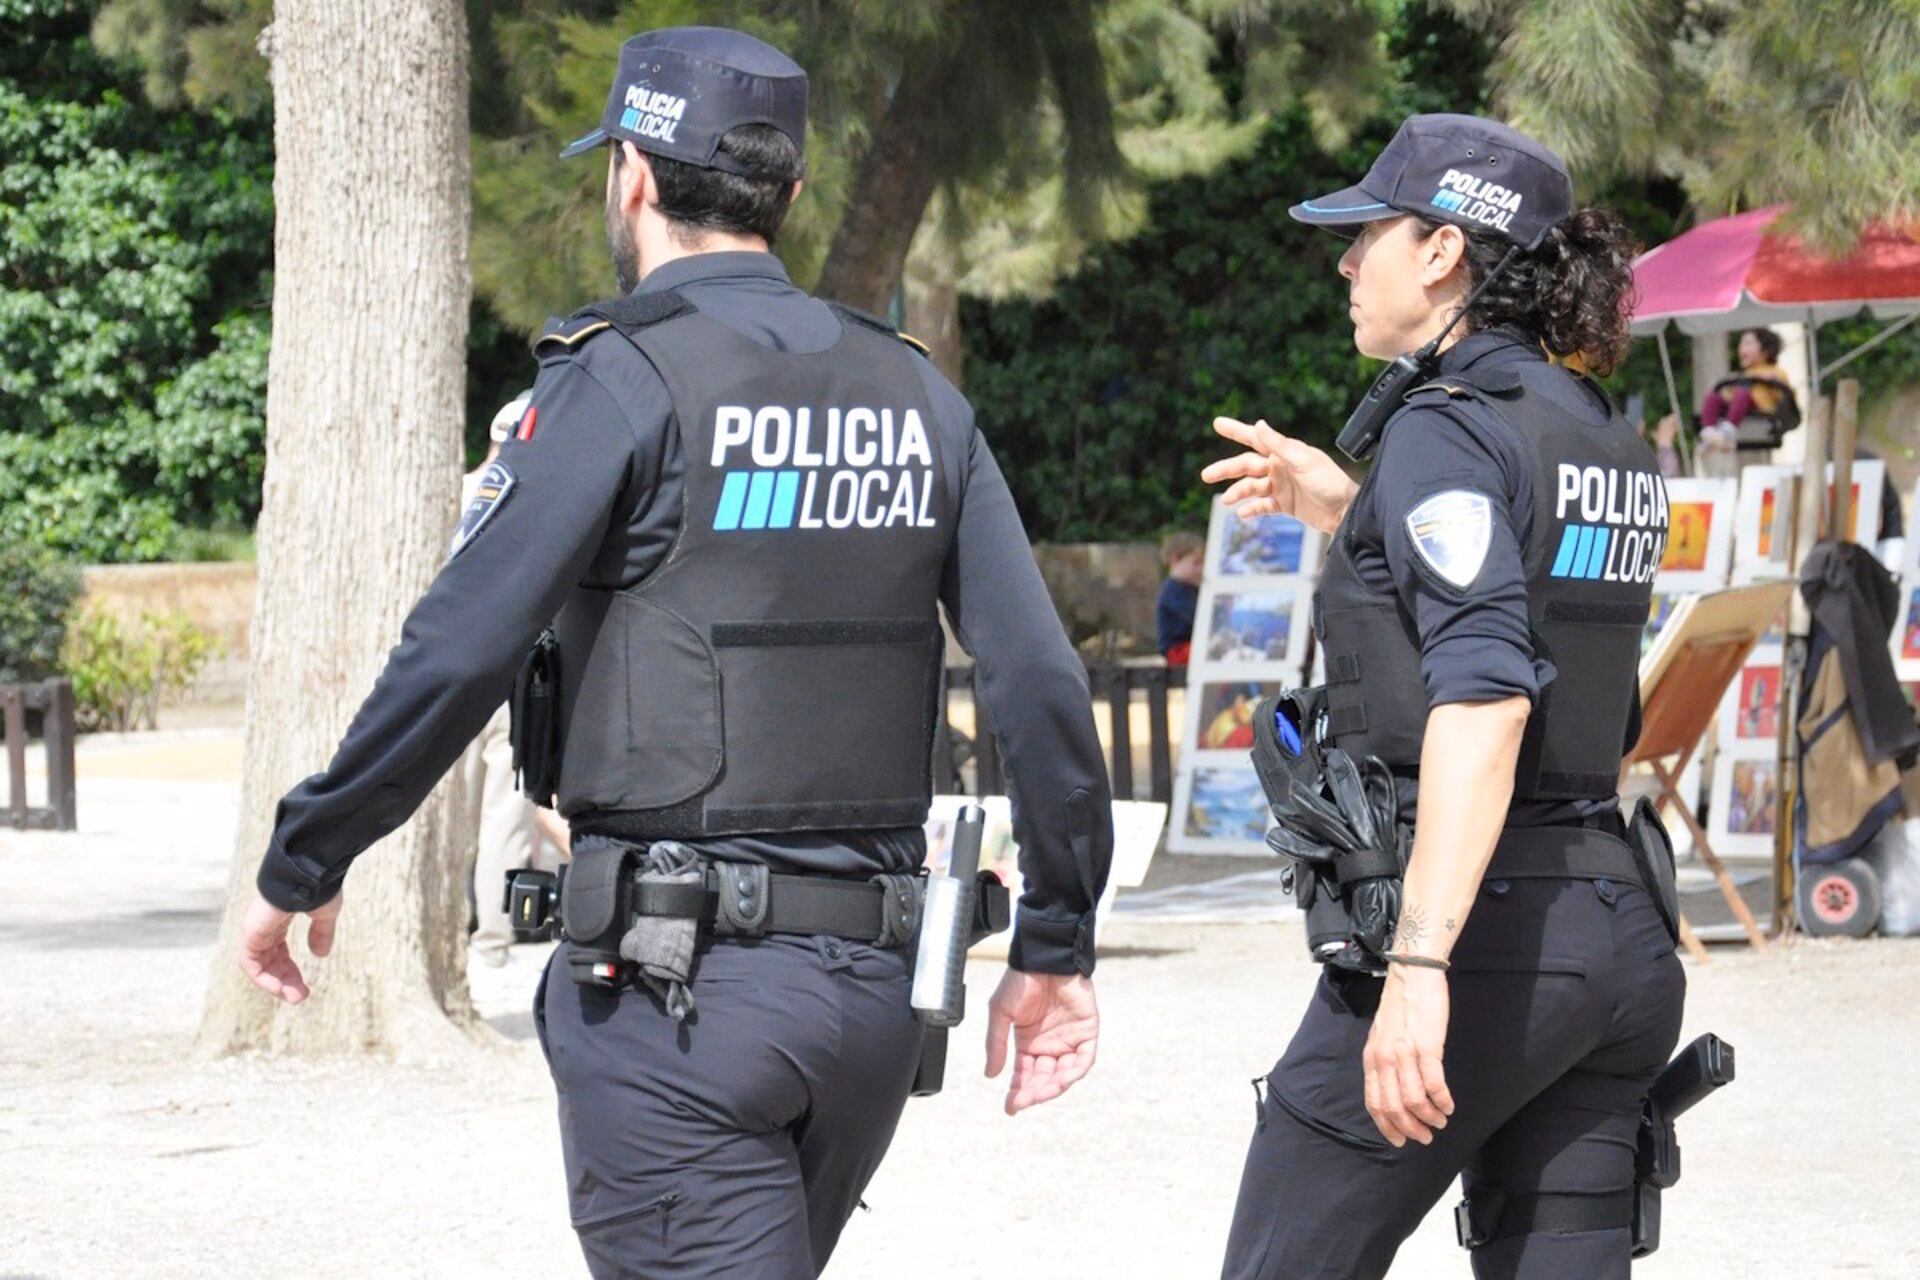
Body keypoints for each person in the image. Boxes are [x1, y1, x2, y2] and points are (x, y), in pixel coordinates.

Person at [232, 26, 1112, 1279]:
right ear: (791, 194)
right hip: (867, 1003)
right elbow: (1038, 681)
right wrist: (1057, 941)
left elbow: (461, 645)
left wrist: (307, 851)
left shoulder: (616, 380)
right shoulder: (919, 396)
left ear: (631, 175)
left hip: (676, 999)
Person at [1203, 114, 1684, 1278]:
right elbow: (1516, 604)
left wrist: (1418, 968)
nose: (1343, 262)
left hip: (1486, 938)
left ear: (1441, 252)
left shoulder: (1445, 427)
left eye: (1364, 234)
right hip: (1614, 928)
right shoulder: (1599, 433)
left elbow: (1488, 700)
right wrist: (1351, 508)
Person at [456, 390, 549, 969]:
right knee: (503, 819)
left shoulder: (453, 491)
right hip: (509, 671)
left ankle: (447, 927)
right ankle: (491, 940)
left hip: (447, 670)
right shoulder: (530, 497)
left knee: (452, 815)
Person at [1158, 530, 1204, 664]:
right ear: (1175, 559)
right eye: (1196, 563)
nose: (1201, 569)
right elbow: (1194, 616)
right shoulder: (1172, 589)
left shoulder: (1190, 588)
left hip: (1190, 646)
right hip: (1177, 650)